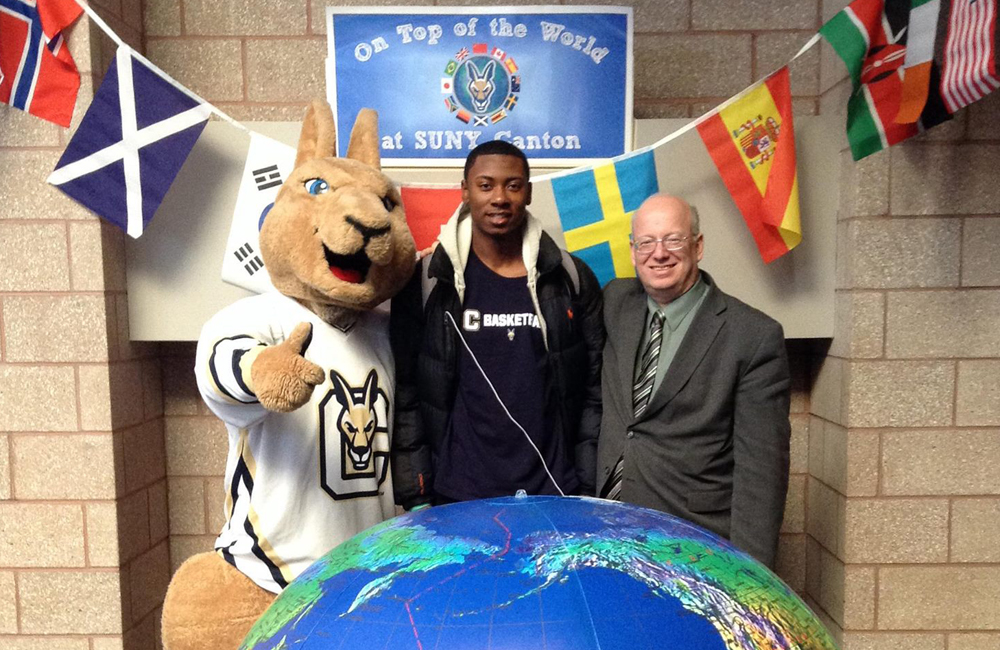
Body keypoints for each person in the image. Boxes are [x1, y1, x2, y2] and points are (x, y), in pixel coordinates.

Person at [391, 140, 605, 509]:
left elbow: (594, 389)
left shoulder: (569, 277)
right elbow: (407, 392)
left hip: (553, 492)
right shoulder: (429, 281)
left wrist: (584, 484)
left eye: (513, 185)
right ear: (465, 191)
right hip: (458, 495)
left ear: (529, 192)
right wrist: (417, 492)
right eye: (485, 185)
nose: (499, 197)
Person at [598, 193, 790, 568]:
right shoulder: (615, 302)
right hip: (608, 527)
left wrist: (751, 577)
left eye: (673, 239)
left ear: (698, 246)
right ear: (633, 249)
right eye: (646, 242)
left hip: (693, 540)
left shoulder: (752, 336)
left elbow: (761, 472)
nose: (659, 253)